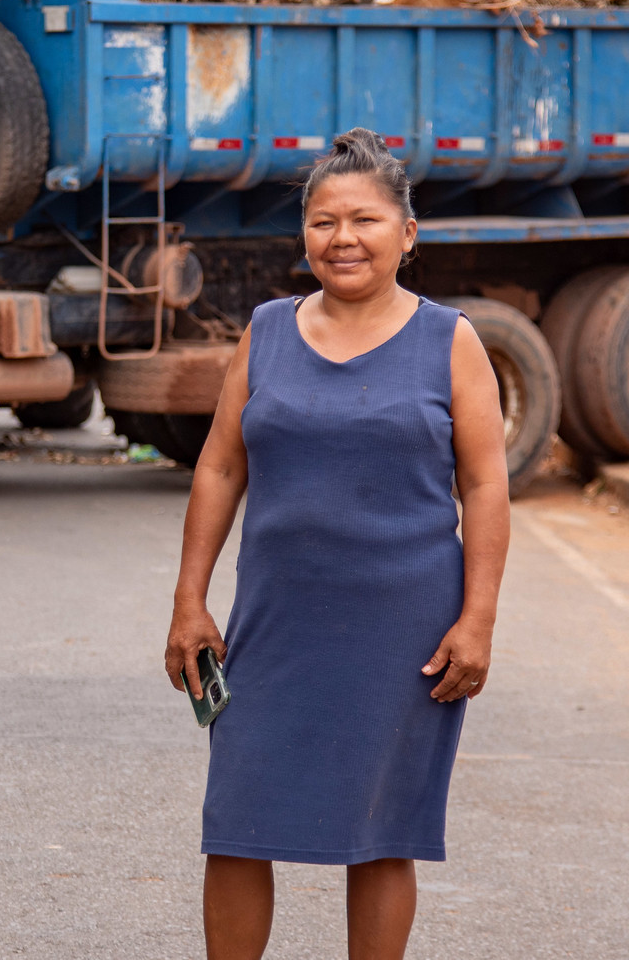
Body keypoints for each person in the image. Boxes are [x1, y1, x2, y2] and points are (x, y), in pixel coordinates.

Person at [164, 128, 513, 960]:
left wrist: (479, 619)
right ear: (304, 237)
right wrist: (189, 599)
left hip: (405, 632)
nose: (343, 237)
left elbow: (487, 485)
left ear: (408, 233)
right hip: (277, 621)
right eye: (323, 221)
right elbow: (218, 466)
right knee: (239, 818)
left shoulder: (450, 340)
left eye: (364, 219)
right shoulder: (267, 331)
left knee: (384, 827)